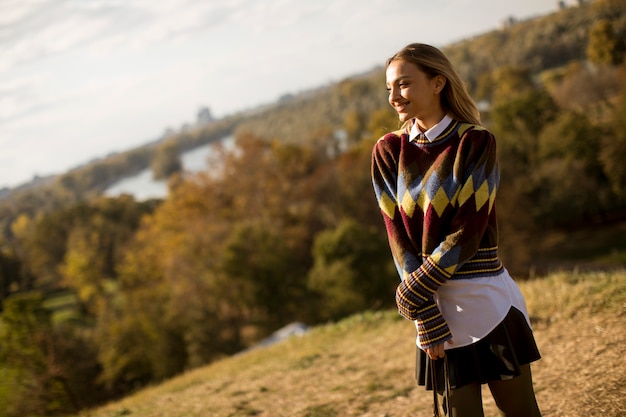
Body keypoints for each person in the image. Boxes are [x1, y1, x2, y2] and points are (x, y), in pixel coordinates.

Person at [371, 43, 542, 417]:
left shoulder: (475, 142)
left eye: (403, 84)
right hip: (433, 310)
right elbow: (396, 236)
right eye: (389, 88)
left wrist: (413, 291)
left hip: (486, 304)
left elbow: (469, 232)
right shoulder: (388, 151)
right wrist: (424, 311)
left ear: (437, 83)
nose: (394, 96)